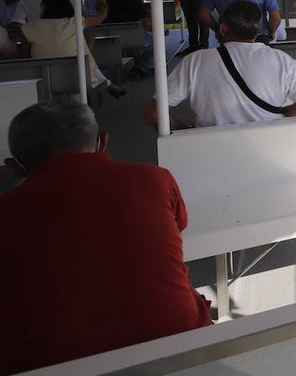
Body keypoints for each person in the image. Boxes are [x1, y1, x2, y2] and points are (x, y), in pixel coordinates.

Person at [0, 100, 212, 373]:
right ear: (103, 141)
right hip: (184, 347)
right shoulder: (156, 179)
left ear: (14, 167)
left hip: (51, 364)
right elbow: (178, 226)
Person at [144, 0, 296, 128]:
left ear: (224, 28)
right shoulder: (282, 60)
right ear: (257, 29)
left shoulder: (194, 61)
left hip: (212, 149)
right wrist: (281, 114)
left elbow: (153, 115)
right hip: (269, 146)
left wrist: (186, 131)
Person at [20, 0, 126, 98]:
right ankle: (107, 84)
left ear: (43, 7)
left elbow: (26, 55)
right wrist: (103, 6)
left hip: (42, 77)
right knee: (86, 45)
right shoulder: (76, 22)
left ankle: (108, 84)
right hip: (76, 74)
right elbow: (102, 16)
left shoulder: (29, 28)